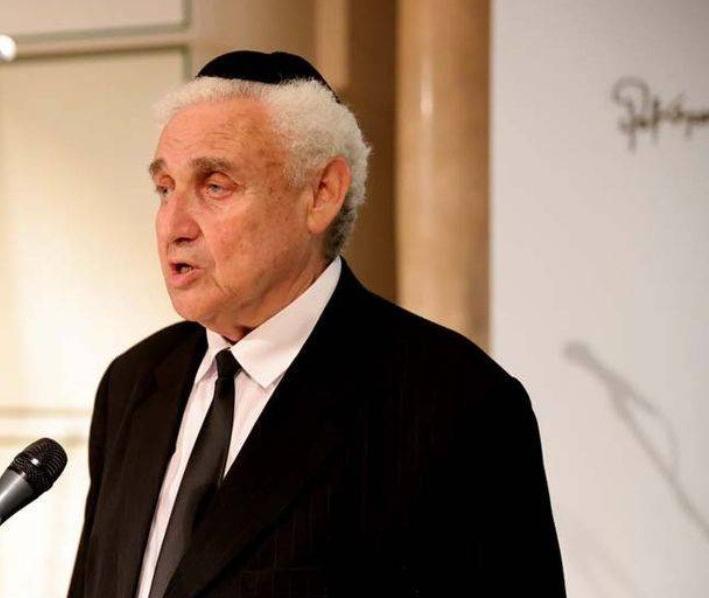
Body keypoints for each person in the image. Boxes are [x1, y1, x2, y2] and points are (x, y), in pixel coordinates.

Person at [66, 50, 564, 598]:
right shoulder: (134, 383)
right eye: (165, 189)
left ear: (321, 194)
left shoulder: (455, 403)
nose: (174, 225)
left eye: (215, 186)